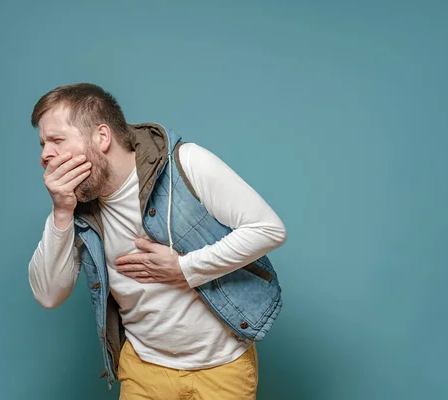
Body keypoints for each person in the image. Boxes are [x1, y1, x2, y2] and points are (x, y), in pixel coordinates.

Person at [27, 83, 287, 400]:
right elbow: (49, 295)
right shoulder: (75, 208)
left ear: (102, 137)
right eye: (42, 144)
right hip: (142, 369)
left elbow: (268, 228)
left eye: (56, 140)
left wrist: (184, 268)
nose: (45, 155)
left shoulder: (185, 164)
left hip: (222, 366)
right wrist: (61, 210)